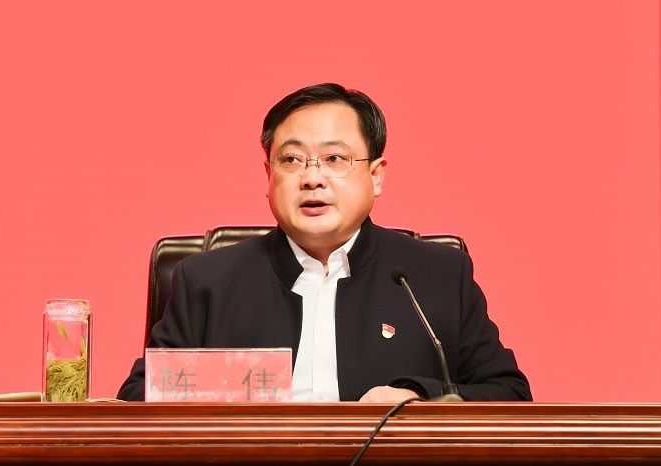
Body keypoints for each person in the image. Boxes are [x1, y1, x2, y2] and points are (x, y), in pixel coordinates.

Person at [117, 83, 531, 402]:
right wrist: (234, 392)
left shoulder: (435, 275)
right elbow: (137, 399)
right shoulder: (207, 280)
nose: (312, 178)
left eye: (335, 159)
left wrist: (417, 397)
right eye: (291, 160)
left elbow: (509, 394)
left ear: (376, 176)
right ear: (269, 176)